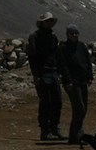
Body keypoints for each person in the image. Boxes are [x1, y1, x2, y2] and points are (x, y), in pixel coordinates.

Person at [27, 12, 67, 141]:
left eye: (50, 21)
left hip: (53, 71)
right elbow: (32, 56)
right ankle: (45, 131)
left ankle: (55, 129)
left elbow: (57, 55)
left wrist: (59, 72)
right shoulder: (34, 37)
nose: (49, 23)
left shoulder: (53, 37)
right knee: (46, 102)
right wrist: (36, 75)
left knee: (57, 102)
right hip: (43, 72)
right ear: (42, 23)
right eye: (47, 21)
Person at [60, 24, 94, 144]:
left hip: (83, 81)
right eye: (72, 33)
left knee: (83, 109)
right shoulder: (64, 48)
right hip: (72, 83)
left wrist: (90, 76)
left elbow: (87, 61)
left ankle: (75, 135)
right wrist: (68, 80)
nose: (74, 35)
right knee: (79, 108)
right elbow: (63, 66)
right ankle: (76, 136)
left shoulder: (81, 46)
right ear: (68, 35)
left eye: (76, 33)